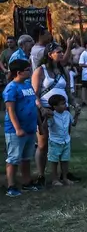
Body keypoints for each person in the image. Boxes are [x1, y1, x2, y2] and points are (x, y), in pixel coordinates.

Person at [31, 42, 76, 185]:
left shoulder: (64, 70)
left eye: (62, 51)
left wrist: (74, 103)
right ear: (50, 55)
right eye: (58, 52)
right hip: (46, 111)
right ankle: (41, 175)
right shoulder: (40, 71)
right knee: (43, 144)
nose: (62, 54)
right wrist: (42, 109)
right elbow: (35, 93)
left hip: (63, 111)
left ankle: (63, 175)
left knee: (64, 141)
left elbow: (68, 90)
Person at [4, 60, 39, 196]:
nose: (30, 71)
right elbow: (10, 110)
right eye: (27, 69)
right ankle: (11, 186)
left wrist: (39, 125)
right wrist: (18, 128)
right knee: (14, 158)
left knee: (26, 158)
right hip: (16, 131)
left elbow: (33, 105)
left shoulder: (27, 85)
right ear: (18, 73)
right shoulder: (11, 88)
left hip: (30, 128)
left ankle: (27, 182)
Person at [43, 94, 75, 186]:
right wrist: (46, 117)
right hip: (55, 142)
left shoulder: (67, 114)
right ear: (54, 106)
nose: (64, 105)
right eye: (61, 104)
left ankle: (64, 178)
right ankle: (54, 179)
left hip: (66, 141)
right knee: (54, 161)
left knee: (65, 160)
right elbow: (45, 127)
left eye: (65, 103)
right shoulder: (52, 116)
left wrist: (76, 114)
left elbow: (73, 123)